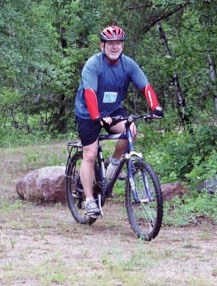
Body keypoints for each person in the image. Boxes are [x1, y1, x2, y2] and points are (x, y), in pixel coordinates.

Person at [74, 25, 163, 216]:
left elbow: (145, 86)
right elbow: (89, 92)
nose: (114, 47)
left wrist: (155, 107)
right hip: (89, 113)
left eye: (118, 43)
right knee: (89, 154)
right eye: (110, 43)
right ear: (102, 46)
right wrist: (96, 116)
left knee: (130, 130)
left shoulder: (128, 64)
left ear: (122, 45)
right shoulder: (93, 64)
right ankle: (89, 200)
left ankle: (113, 166)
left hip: (112, 110)